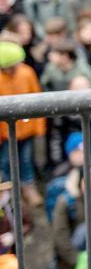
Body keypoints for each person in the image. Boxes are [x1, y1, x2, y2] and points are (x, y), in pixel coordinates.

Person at [0, 41, 45, 207]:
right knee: (5, 162)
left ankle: (28, 187)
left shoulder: (27, 73)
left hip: (27, 130)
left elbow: (38, 98)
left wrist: (39, 128)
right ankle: (9, 191)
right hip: (5, 133)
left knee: (26, 160)